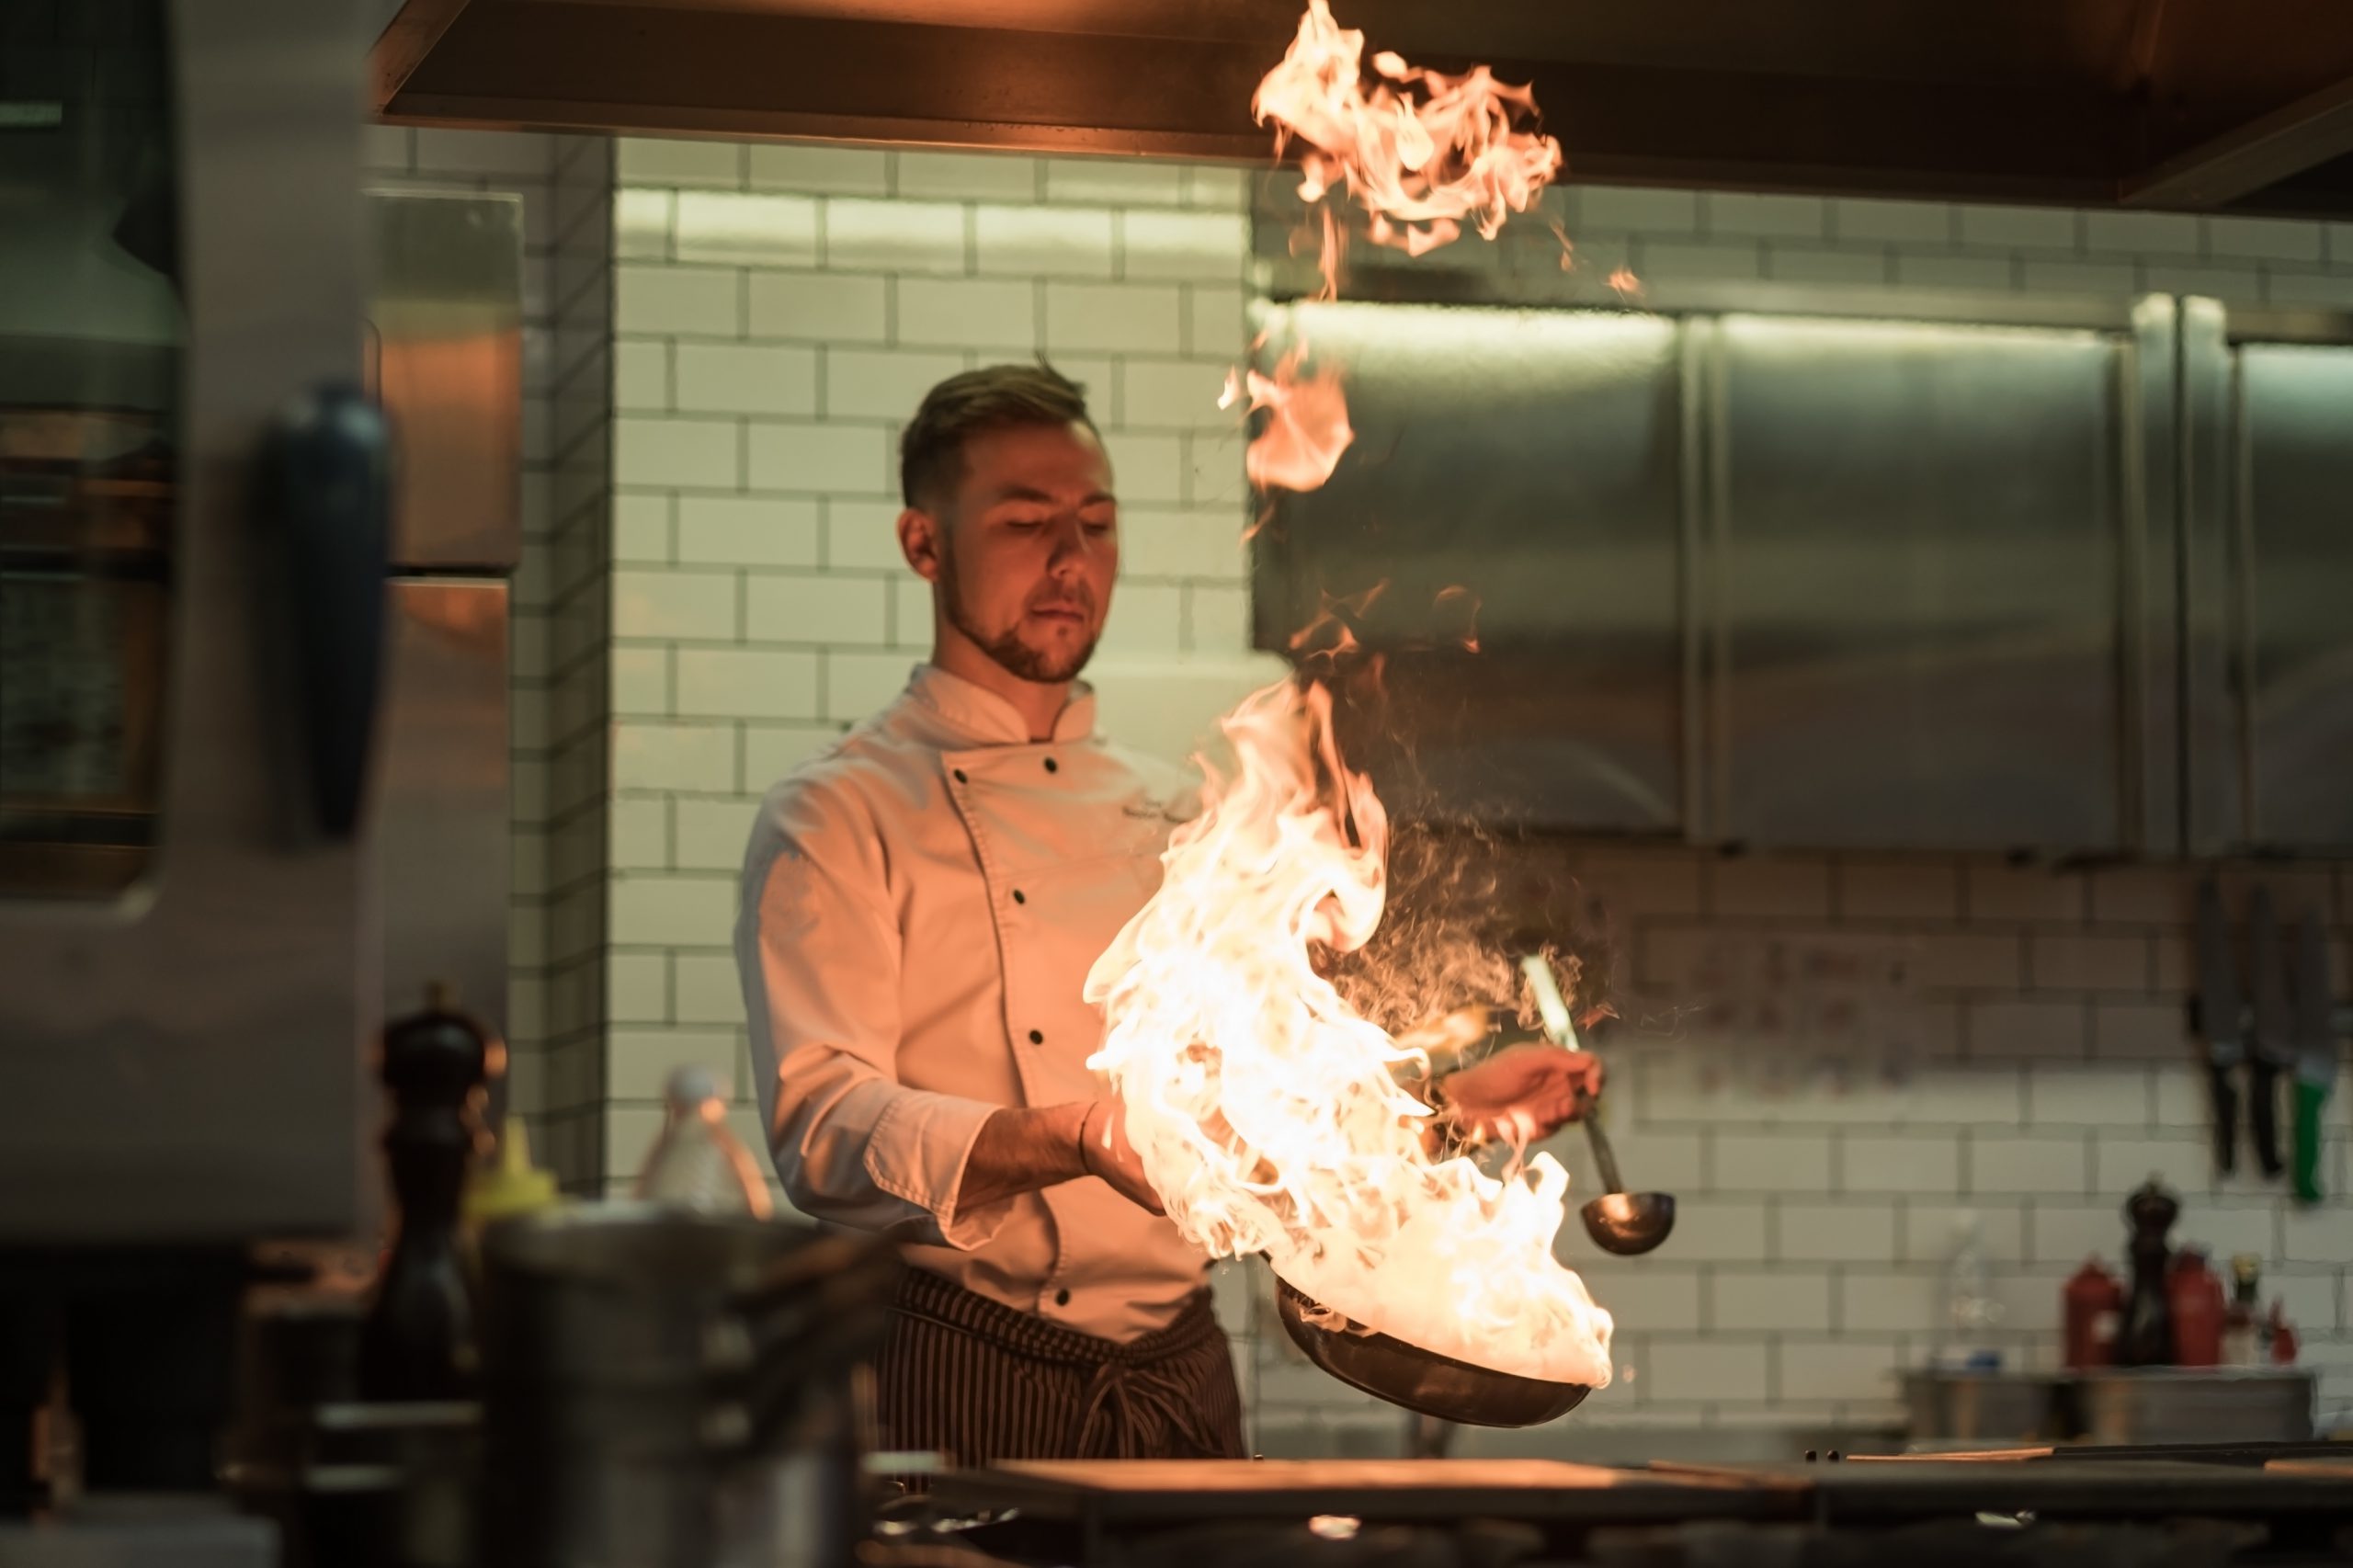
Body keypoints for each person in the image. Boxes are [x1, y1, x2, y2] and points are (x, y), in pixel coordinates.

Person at [735, 363, 1602, 1468]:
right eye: (1024, 521)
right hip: (956, 1367)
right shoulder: (841, 810)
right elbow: (822, 1129)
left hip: (1180, 1373)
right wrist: (1078, 1136)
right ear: (923, 543)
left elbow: (1250, 1099)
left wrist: (1437, 1109)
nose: (1069, 560)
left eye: (1095, 524)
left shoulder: (1177, 817)